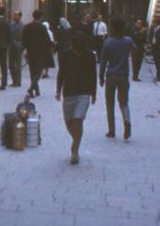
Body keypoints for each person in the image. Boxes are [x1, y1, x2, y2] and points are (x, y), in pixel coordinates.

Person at [55, 31, 97, 165]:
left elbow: (93, 75)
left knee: (78, 119)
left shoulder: (90, 56)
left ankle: (75, 151)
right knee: (68, 121)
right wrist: (58, 90)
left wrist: (93, 93)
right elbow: (61, 73)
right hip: (69, 92)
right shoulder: (66, 55)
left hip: (84, 93)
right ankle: (76, 140)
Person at [98, 17, 135, 140]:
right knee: (124, 102)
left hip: (111, 75)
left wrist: (101, 77)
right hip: (123, 75)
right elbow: (135, 49)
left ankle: (111, 130)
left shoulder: (108, 42)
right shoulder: (127, 41)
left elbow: (103, 61)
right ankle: (127, 121)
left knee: (110, 104)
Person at [21, 9, 50, 98]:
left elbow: (23, 39)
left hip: (30, 51)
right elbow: (47, 39)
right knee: (38, 71)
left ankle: (35, 90)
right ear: (40, 17)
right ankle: (31, 88)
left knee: (32, 70)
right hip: (40, 51)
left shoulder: (27, 26)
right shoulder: (42, 27)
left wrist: (27, 47)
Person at [8, 11, 24, 87]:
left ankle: (18, 81)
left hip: (18, 47)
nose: (14, 16)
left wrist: (22, 47)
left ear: (19, 16)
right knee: (10, 65)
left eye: (15, 15)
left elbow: (24, 38)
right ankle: (14, 80)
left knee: (18, 65)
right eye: (14, 15)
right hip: (11, 46)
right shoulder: (11, 25)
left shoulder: (22, 26)